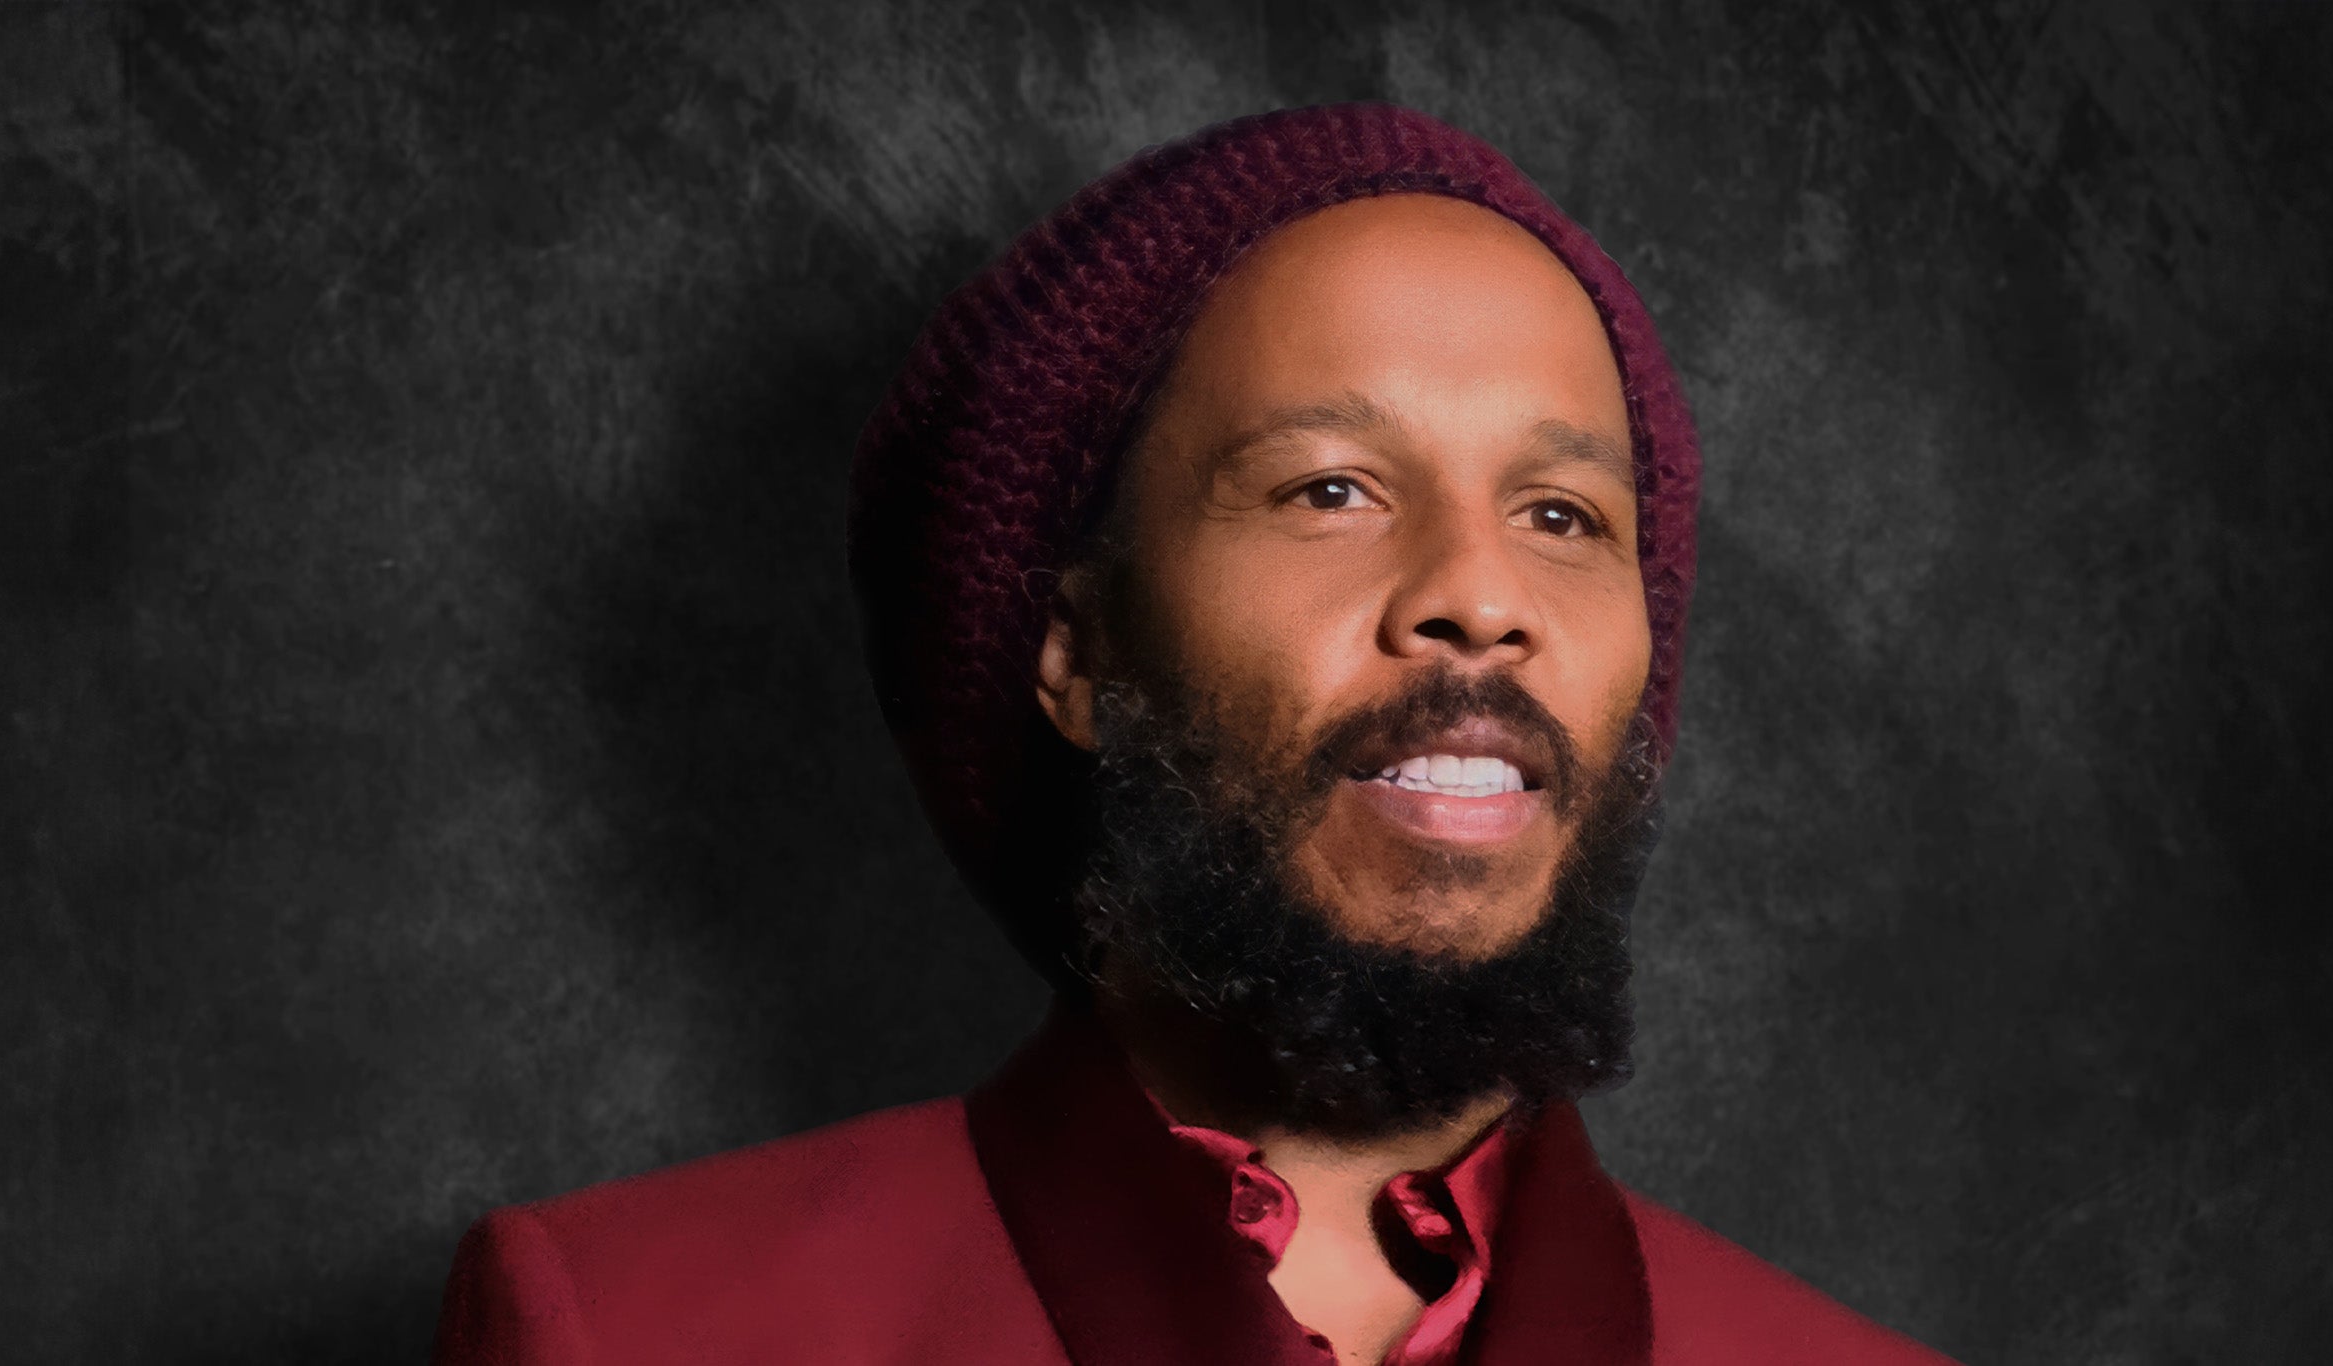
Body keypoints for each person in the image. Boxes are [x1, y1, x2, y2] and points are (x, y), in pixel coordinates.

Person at [433, 103, 1958, 1365]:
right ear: (1078, 649)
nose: (1482, 597)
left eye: (1562, 515)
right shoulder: (622, 1325)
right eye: (1331, 488)